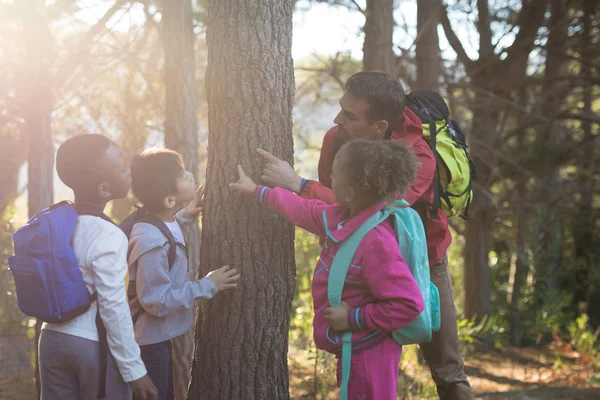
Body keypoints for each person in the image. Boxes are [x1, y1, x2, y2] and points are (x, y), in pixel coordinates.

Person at [257, 71, 473, 399]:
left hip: (424, 262)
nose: (336, 118)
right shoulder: (335, 138)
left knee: (446, 368)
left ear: (379, 127)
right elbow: (334, 206)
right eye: (341, 107)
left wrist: (299, 186)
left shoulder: (418, 157)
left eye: (349, 115)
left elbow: (366, 211)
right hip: (361, 266)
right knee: (358, 354)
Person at [231, 139, 424, 400]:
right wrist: (257, 191)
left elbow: (409, 304)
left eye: (336, 174)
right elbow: (302, 209)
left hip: (371, 353)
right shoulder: (343, 216)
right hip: (354, 350)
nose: (330, 177)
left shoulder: (376, 241)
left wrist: (353, 317)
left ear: (352, 192)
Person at [40, 134, 157, 400]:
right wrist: (135, 371)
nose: (129, 172)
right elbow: (113, 307)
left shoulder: (55, 223)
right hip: (91, 344)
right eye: (122, 168)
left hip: (51, 339)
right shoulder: (107, 234)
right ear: (104, 189)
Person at [127, 148, 240, 400]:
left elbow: (168, 227)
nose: (189, 175)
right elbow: (156, 301)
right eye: (181, 174)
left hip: (155, 339)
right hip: (147, 345)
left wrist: (187, 213)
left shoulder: (156, 220)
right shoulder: (150, 243)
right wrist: (207, 285)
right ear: (169, 200)